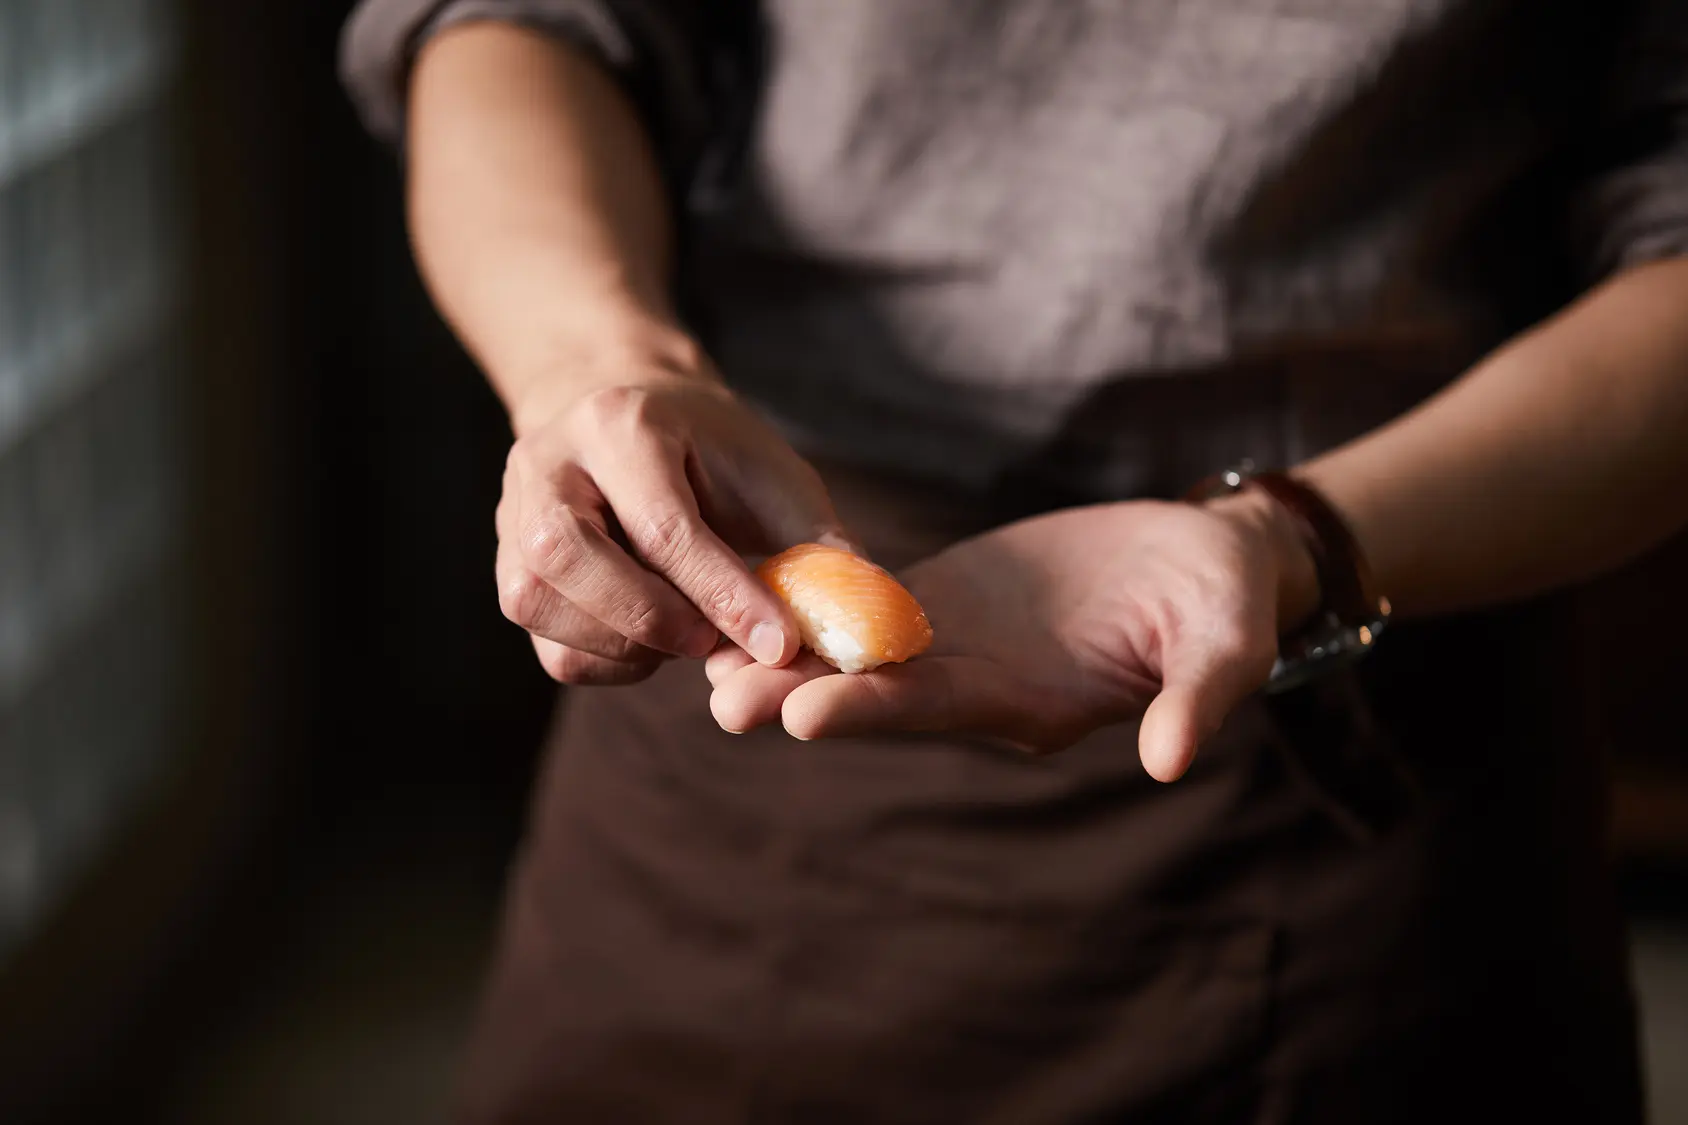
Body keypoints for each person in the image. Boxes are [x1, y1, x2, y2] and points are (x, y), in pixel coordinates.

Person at [340, 2, 1685, 1120]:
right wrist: (598, 363)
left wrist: (1295, 538)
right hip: (739, 649)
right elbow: (516, 22)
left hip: (1359, 692)